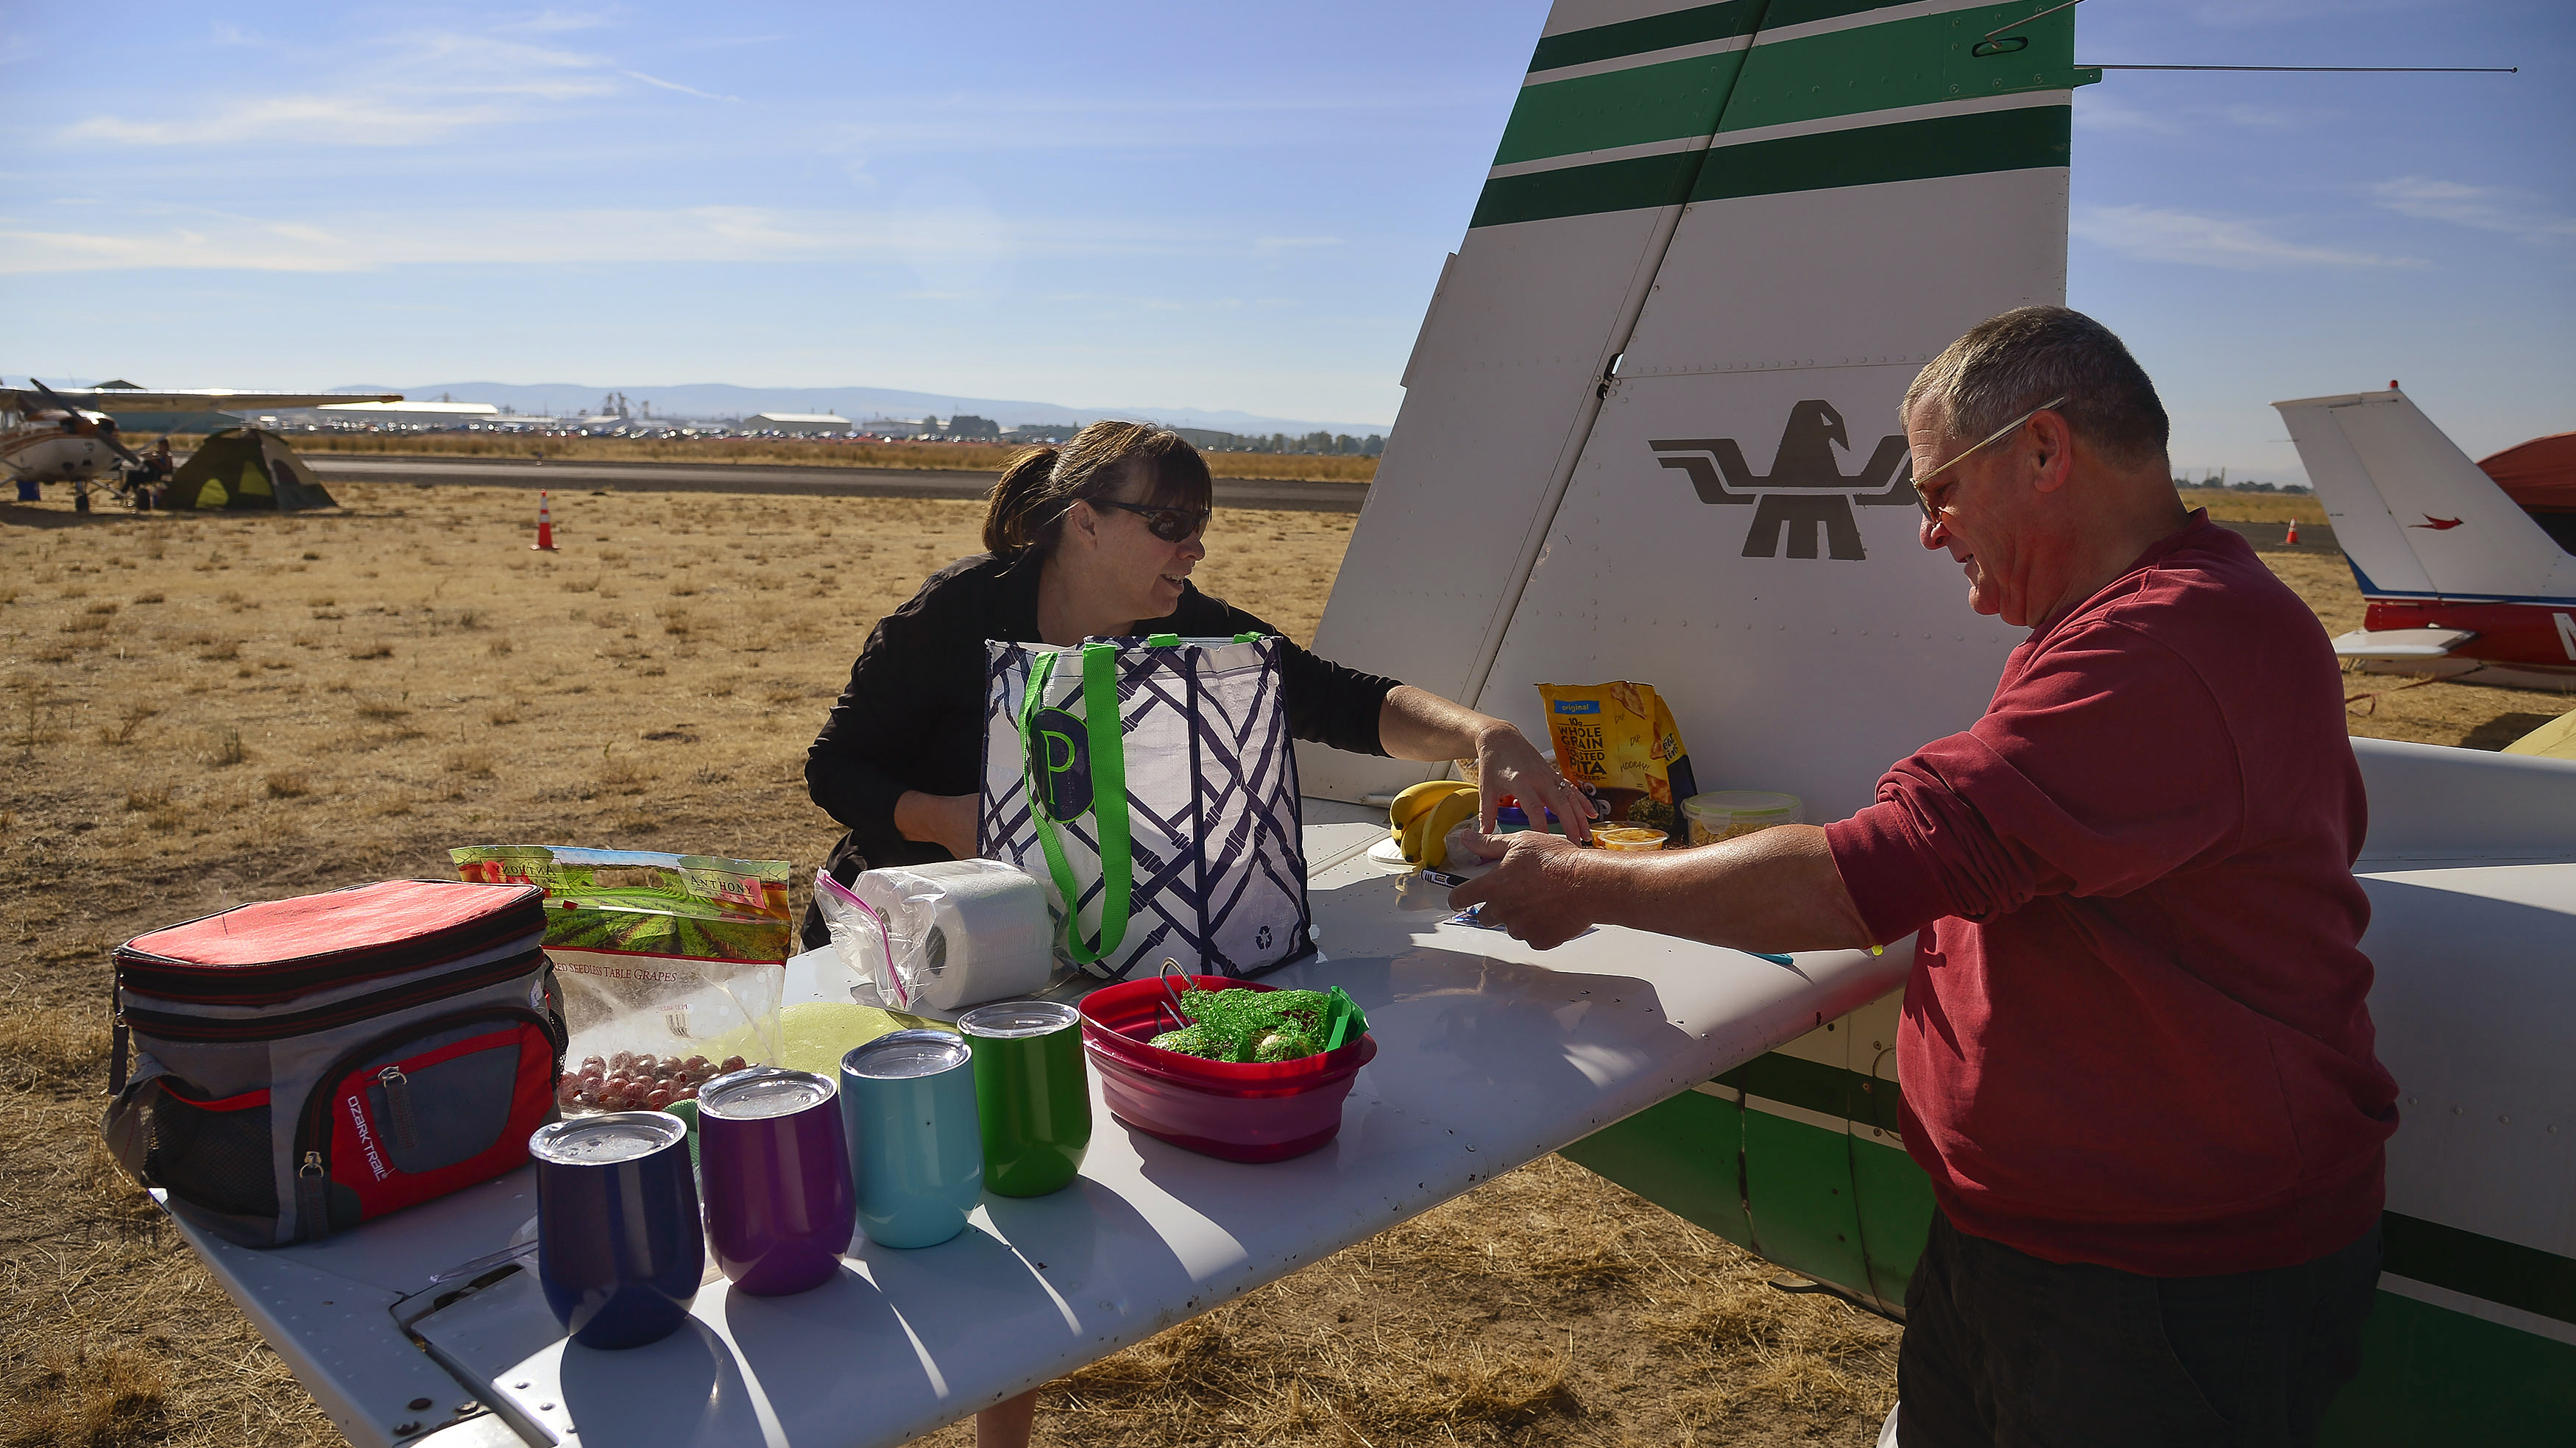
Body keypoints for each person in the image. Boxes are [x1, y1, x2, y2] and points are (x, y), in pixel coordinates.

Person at [1454, 308, 2397, 1447]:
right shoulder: (2149, 621)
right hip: (2050, 1242)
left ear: (2045, 452)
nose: (1928, 532)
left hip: (2151, 1286)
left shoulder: (2167, 643)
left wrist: (1580, 883)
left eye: (1937, 490)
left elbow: (1859, 881)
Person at [803, 419, 1593, 1448]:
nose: (1193, 550)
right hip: (909, 948)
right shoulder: (961, 614)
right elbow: (835, 769)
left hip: (1052, 950)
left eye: (1201, 527)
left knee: (1032, 1183)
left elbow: (1332, 696)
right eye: (1169, 522)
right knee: (892, 1195)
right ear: (1083, 524)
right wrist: (953, 818)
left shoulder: (1179, 625)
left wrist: (1485, 734)